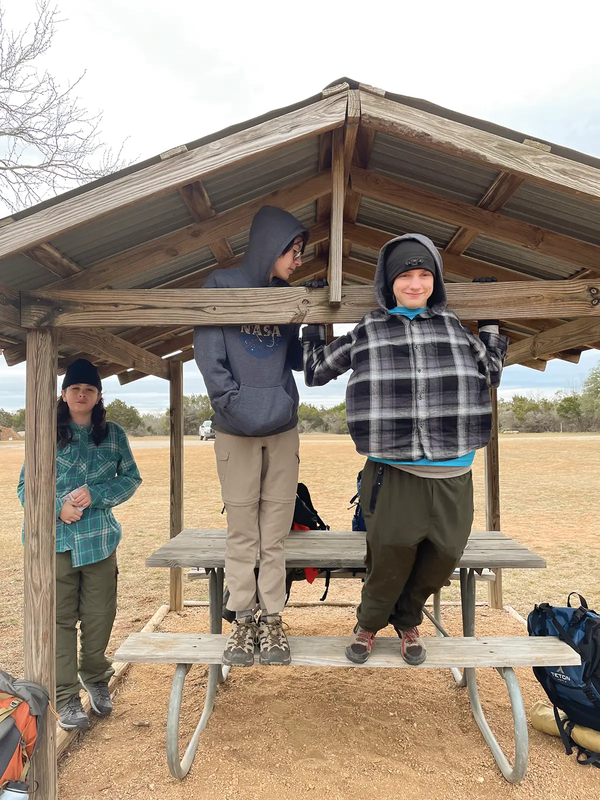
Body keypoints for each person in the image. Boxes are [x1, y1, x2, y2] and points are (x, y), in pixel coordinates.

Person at [303, 234, 508, 665]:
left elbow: (490, 371)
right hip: (392, 470)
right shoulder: (368, 329)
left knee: (446, 554)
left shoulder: (453, 327)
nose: (415, 285)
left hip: (455, 469)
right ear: (388, 282)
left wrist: (489, 322)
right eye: (405, 276)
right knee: (389, 554)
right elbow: (318, 371)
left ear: (435, 280)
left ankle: (407, 616)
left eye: (423, 275)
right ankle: (369, 623)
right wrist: (314, 324)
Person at [194, 206, 308, 668]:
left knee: (274, 534)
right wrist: (235, 406)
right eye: (293, 251)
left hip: (281, 429)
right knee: (242, 530)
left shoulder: (288, 294)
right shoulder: (219, 287)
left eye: (301, 253)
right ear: (271, 246)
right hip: (234, 430)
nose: (298, 261)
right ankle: (242, 619)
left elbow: (298, 361)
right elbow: (209, 359)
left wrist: (307, 311)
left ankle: (274, 619)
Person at [17, 358, 142, 729]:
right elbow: (26, 487)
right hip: (53, 543)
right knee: (59, 621)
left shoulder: (114, 433)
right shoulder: (46, 432)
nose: (82, 394)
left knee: (100, 615)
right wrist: (58, 508)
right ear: (64, 393)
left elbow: (131, 479)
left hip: (100, 540)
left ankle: (96, 677)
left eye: (89, 389)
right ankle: (66, 695)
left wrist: (96, 494)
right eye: (75, 389)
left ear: (99, 395)